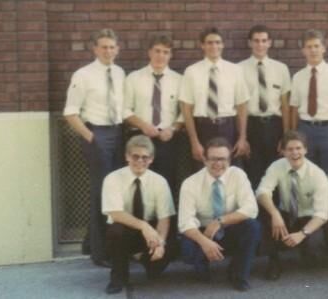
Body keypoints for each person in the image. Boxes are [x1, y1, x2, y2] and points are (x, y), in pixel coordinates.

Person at [63, 28, 125, 267]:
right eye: (103, 47)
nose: (108, 51)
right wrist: (91, 137)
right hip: (97, 134)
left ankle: (91, 242)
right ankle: (100, 254)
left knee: (115, 190)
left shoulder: (119, 73)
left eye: (112, 47)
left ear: (117, 49)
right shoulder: (83, 75)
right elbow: (70, 113)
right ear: (95, 49)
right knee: (103, 192)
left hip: (118, 133)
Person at [178, 137, 260, 291]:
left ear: (229, 160)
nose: (218, 164)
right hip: (202, 232)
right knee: (188, 251)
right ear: (205, 160)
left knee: (253, 227)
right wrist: (204, 242)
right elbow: (185, 222)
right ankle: (201, 264)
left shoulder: (238, 175)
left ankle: (238, 273)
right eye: (213, 159)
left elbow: (251, 208)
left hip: (228, 228)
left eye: (222, 159)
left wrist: (220, 221)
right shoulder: (190, 183)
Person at [102, 135, 176, 294]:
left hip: (150, 232)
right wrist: (144, 226)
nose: (140, 161)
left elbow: (164, 218)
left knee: (169, 248)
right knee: (116, 230)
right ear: (127, 156)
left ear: (151, 159)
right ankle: (118, 277)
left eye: (145, 157)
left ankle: (145, 259)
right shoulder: (113, 178)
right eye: (135, 156)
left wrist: (160, 243)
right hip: (125, 228)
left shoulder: (159, 181)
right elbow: (115, 213)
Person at [257, 130, 328, 280]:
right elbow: (262, 191)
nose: (295, 153)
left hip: (308, 218)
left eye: (298, 148)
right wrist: (275, 213)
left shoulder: (317, 174)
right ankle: (274, 261)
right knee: (265, 211)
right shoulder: (276, 166)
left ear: (306, 150)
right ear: (282, 151)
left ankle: (307, 250)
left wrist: (302, 234)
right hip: (286, 214)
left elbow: (322, 214)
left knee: (313, 249)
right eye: (290, 149)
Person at [179, 27, 250, 169]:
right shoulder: (191, 71)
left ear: (223, 44)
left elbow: (242, 105)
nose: (214, 46)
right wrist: (194, 142)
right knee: (203, 171)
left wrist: (242, 138)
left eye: (218, 42)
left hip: (228, 128)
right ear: (202, 45)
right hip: (202, 128)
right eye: (209, 43)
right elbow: (186, 109)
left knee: (230, 171)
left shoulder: (235, 70)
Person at [123, 35, 183, 193]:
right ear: (149, 52)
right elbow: (124, 109)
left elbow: (184, 113)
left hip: (167, 140)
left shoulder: (179, 80)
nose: (161, 56)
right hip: (139, 138)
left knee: (166, 183)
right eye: (157, 51)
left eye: (165, 52)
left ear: (170, 55)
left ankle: (165, 218)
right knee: (138, 183)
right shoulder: (134, 78)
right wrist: (143, 125)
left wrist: (173, 129)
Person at [290, 29, 328, 174]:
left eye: (316, 46)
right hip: (305, 130)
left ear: (324, 48)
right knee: (305, 172)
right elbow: (294, 108)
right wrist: (293, 134)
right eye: (309, 47)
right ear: (303, 50)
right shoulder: (298, 77)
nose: (313, 50)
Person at [239, 24, 291, 189]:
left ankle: (275, 212)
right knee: (253, 173)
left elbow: (285, 106)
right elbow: (240, 105)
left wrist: (286, 136)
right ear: (250, 43)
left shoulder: (281, 69)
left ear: (270, 43)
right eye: (256, 41)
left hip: (273, 126)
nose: (260, 45)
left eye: (263, 41)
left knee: (276, 171)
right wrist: (243, 136)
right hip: (251, 125)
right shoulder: (239, 69)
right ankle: (256, 214)